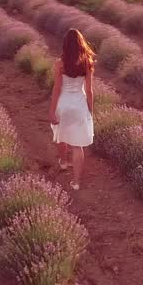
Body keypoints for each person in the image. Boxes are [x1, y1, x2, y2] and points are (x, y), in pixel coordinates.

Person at [48, 28, 95, 190]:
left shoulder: (60, 64)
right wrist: (90, 110)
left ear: (65, 45)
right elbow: (89, 90)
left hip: (64, 103)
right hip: (79, 104)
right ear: (81, 44)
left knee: (62, 134)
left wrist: (52, 110)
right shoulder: (87, 63)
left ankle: (62, 161)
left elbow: (56, 89)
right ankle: (76, 182)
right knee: (78, 145)